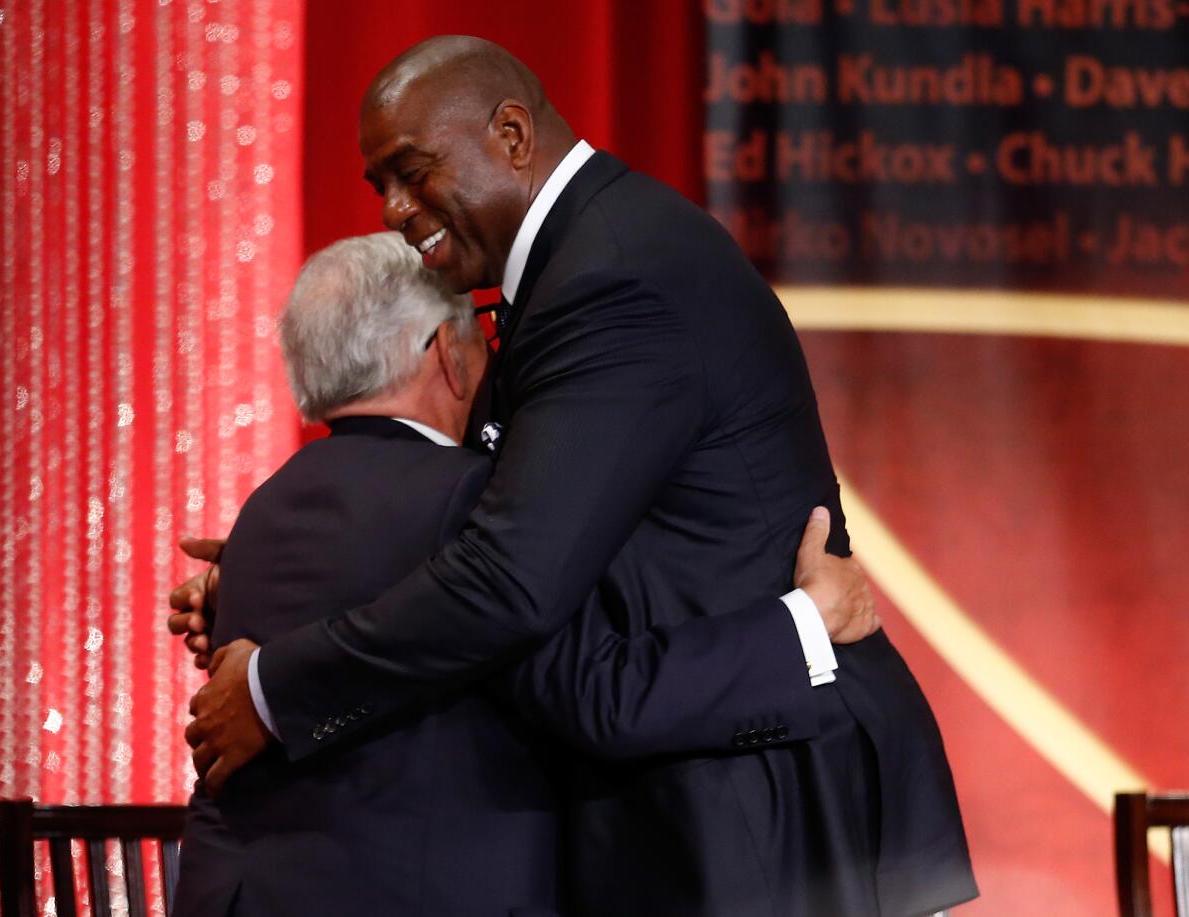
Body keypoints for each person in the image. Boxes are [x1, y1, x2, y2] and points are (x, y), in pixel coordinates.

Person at [180, 36, 977, 915]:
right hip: (708, 792)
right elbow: (518, 526)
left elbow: (511, 575)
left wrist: (273, 688)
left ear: (512, 135)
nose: (394, 210)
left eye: (411, 171)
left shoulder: (615, 278)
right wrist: (294, 579)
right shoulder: (580, 265)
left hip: (774, 806)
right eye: (380, 186)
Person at [171, 231, 873, 917]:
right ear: (449, 351)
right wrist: (807, 622)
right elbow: (604, 696)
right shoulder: (482, 506)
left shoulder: (259, 515)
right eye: (479, 326)